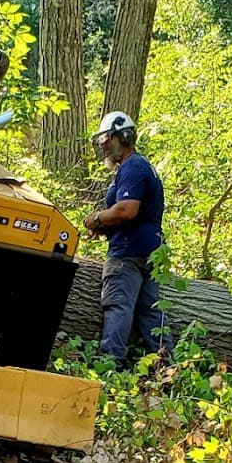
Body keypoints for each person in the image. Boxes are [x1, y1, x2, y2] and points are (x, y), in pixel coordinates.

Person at [82, 111, 170, 367]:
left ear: (119, 137)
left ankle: (110, 365)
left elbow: (127, 210)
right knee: (152, 314)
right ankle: (168, 370)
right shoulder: (140, 166)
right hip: (149, 252)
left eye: (106, 140)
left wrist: (97, 218)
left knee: (118, 305)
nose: (104, 147)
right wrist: (106, 228)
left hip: (127, 255)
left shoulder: (133, 166)